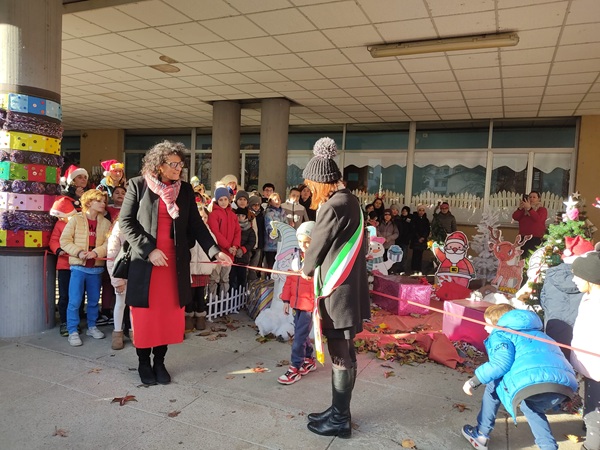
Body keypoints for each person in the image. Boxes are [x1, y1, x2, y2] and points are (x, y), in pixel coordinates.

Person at [119, 141, 231, 386]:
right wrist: (149, 250)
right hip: (146, 264)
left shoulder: (186, 190)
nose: (178, 168)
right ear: (158, 165)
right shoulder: (137, 186)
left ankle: (159, 362)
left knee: (168, 317)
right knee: (146, 317)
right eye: (173, 164)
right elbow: (126, 223)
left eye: (180, 164)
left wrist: (215, 252)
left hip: (174, 265)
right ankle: (143, 362)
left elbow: (197, 225)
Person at [300, 137, 370, 439]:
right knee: (347, 352)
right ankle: (338, 411)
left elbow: (317, 247)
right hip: (350, 290)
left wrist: (304, 269)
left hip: (337, 292)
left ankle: (340, 420)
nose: (310, 192)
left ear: (321, 182)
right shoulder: (351, 201)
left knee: (340, 354)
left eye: (311, 186)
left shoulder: (331, 206)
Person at [461, 304, 578, 450]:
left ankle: (481, 434)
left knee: (493, 385)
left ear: (499, 323)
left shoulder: (501, 333)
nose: (485, 328)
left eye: (487, 323)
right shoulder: (540, 334)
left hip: (533, 382)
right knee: (532, 408)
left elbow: (501, 363)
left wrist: (474, 381)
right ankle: (548, 446)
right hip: (564, 385)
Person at [59, 189, 112, 347]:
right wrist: (79, 252)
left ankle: (92, 326)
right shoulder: (75, 219)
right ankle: (73, 330)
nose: (103, 204)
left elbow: (109, 243)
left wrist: (96, 252)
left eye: (104, 201)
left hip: (96, 268)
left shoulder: (106, 223)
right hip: (78, 267)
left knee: (94, 300)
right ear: (89, 202)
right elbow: (65, 240)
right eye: (99, 201)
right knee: (74, 300)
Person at [278, 221, 317, 385]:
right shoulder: (296, 257)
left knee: (299, 337)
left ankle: (295, 366)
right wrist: (286, 299)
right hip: (297, 303)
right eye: (300, 241)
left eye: (307, 241)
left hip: (308, 305)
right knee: (301, 333)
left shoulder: (317, 261)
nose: (303, 245)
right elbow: (289, 280)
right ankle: (309, 358)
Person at [570, 251, 600, 450]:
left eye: (576, 275)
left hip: (597, 369)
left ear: (589, 278)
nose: (573, 279)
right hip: (591, 368)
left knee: (594, 414)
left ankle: (591, 445)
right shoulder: (589, 297)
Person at [49, 196, 78, 337]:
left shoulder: (79, 222)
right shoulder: (59, 225)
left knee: (77, 295)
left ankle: (74, 320)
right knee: (64, 295)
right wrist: (58, 250)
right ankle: (65, 321)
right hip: (64, 265)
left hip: (78, 264)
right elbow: (54, 240)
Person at [207, 186, 241, 298]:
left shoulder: (233, 215)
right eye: (220, 200)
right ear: (217, 200)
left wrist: (235, 246)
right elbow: (215, 232)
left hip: (230, 252)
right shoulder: (213, 215)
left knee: (225, 278)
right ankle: (211, 300)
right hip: (218, 252)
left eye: (225, 199)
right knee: (214, 278)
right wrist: (227, 246)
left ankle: (223, 300)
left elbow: (237, 231)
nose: (223, 202)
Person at [106, 220, 128, 350]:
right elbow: (111, 256)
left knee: (135, 306)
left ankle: (134, 331)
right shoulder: (120, 226)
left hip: (138, 274)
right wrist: (116, 280)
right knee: (120, 304)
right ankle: (117, 333)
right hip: (122, 273)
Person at [512, 191, 547, 257]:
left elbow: (538, 219)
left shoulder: (542, 209)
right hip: (523, 237)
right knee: (523, 256)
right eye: (530, 197)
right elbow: (515, 217)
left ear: (538, 199)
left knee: (533, 256)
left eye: (534, 197)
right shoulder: (523, 210)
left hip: (536, 237)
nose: (532, 199)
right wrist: (520, 208)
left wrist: (530, 209)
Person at [230, 207, 256, 293]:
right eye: (238, 215)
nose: (240, 217)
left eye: (242, 215)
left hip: (243, 258)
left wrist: (243, 250)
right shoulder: (232, 226)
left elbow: (252, 242)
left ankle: (241, 297)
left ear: (245, 217)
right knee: (232, 280)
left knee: (242, 279)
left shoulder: (250, 230)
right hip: (232, 258)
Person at [263, 192, 287, 270]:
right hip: (271, 243)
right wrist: (274, 232)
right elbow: (268, 226)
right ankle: (269, 279)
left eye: (279, 200)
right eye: (275, 200)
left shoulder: (283, 212)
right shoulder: (269, 213)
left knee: (280, 263)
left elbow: (286, 224)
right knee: (271, 264)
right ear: (270, 202)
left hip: (281, 243)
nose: (277, 202)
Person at [247, 194, 265, 281]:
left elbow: (262, 230)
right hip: (249, 244)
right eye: (254, 205)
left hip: (259, 243)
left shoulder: (262, 215)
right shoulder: (248, 215)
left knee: (255, 266)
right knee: (247, 265)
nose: (257, 207)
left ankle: (253, 282)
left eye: (258, 205)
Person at [410, 204, 430, 274]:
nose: (421, 212)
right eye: (420, 210)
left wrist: (423, 237)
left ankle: (419, 269)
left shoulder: (426, 220)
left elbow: (427, 230)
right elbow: (413, 229)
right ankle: (413, 269)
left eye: (423, 210)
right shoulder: (414, 219)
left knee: (420, 254)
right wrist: (418, 237)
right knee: (415, 254)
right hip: (416, 239)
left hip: (423, 240)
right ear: (417, 211)